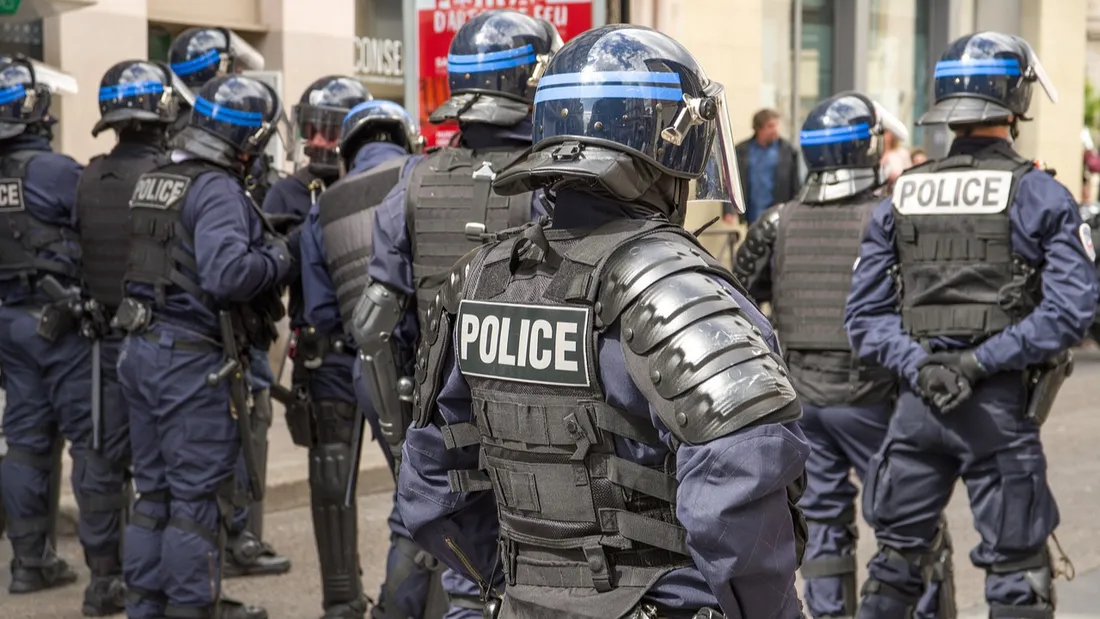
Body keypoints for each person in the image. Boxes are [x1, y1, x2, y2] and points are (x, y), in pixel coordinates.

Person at [393, 23, 811, 619]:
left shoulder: (478, 279)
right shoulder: (675, 286)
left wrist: (524, 584)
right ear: (666, 144)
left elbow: (432, 484)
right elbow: (741, 493)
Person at [845, 31, 1099, 619]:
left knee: (895, 568)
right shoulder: (1040, 193)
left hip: (917, 409)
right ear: (1015, 100)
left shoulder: (900, 196)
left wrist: (924, 367)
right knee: (1017, 578)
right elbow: (1070, 311)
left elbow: (863, 318)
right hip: (999, 412)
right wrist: (976, 363)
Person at [350, 10, 561, 618]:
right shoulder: (557, 181)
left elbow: (373, 330)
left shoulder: (413, 180)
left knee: (432, 545)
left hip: (440, 415)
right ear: (532, 80)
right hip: (536, 418)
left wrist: (402, 436)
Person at [733, 92, 956, 619]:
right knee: (910, 521)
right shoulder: (891, 218)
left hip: (802, 401)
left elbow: (738, 297)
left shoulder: (777, 221)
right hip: (875, 397)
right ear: (868, 149)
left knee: (824, 521)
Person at [116, 74, 291, 619]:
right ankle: (190, 609)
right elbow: (227, 274)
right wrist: (280, 257)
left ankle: (146, 606)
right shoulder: (214, 187)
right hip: (187, 362)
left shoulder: (156, 177)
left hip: (141, 349)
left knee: (153, 495)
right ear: (248, 139)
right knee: (192, 502)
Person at [307, 98, 441, 619]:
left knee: (411, 498)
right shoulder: (420, 174)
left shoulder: (324, 205)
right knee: (442, 502)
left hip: (371, 372)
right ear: (404, 138)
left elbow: (321, 311)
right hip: (432, 363)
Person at [168, 25, 292, 579]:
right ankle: (236, 538)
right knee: (238, 432)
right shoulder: (215, 138)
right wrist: (277, 254)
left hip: (187, 321)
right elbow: (226, 262)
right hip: (217, 322)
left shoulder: (188, 130)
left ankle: (228, 539)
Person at [69, 58, 192, 617]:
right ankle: (165, 588)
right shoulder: (174, 179)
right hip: (162, 346)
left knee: (100, 461)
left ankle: (103, 581)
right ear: (163, 111)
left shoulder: (88, 176)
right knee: (166, 475)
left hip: (101, 345)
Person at [281, 79, 386, 619]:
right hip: (327, 357)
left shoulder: (367, 186)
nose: (318, 142)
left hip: (375, 352)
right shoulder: (288, 193)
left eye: (329, 130)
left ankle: (407, 597)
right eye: (312, 128)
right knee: (331, 480)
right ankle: (342, 599)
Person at [0, 55, 87, 594]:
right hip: (59, 325)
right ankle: (111, 574)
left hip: (8, 325)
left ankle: (28, 563)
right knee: (95, 442)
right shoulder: (56, 171)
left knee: (26, 441)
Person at [732, 108, 801, 224]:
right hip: (753, 214)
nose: (775, 130)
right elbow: (731, 181)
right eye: (770, 126)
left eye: (776, 125)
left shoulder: (787, 151)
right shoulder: (742, 151)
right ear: (759, 128)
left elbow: (796, 183)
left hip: (779, 214)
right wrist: (728, 210)